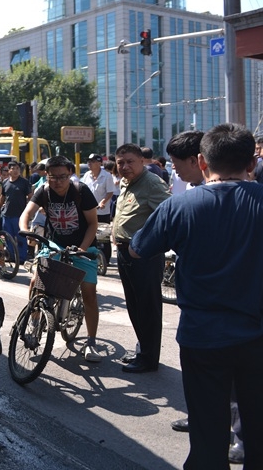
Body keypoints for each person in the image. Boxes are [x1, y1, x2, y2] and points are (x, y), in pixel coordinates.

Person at [130, 123, 262, 469]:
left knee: (207, 435)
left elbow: (138, 248)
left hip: (202, 337)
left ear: (202, 162)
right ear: (252, 163)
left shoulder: (180, 206)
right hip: (257, 336)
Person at [20, 155, 101, 361]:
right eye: (53, 177)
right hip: (54, 245)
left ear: (70, 174)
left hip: (83, 247)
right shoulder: (44, 191)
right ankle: (35, 323)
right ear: (46, 176)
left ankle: (91, 342)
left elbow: (93, 224)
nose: (57, 181)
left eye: (62, 176)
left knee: (89, 294)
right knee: (36, 283)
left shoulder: (81, 191)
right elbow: (27, 213)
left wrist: (82, 249)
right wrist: (25, 230)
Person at [112, 144, 171, 373]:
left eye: (130, 162)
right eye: (120, 163)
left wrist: (150, 243)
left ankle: (148, 359)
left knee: (147, 308)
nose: (125, 167)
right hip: (124, 252)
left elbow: (168, 216)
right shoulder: (126, 182)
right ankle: (143, 350)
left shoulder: (152, 183)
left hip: (144, 254)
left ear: (141, 161)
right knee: (135, 305)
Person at [81, 153, 115, 263]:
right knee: (90, 234)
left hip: (102, 211)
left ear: (99, 163)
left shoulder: (107, 176)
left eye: (92, 161)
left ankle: (106, 259)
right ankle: (91, 256)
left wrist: (103, 202)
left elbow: (110, 192)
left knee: (104, 237)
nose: (89, 163)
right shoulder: (87, 175)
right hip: (88, 211)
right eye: (89, 161)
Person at [0, 160, 33, 264]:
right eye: (13, 168)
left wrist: (29, 212)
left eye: (17, 168)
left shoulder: (24, 182)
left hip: (19, 216)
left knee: (21, 238)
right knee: (8, 238)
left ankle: (21, 258)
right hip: (6, 215)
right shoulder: (5, 182)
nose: (16, 171)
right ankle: (11, 256)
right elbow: (3, 197)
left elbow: (30, 197)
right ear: (9, 170)